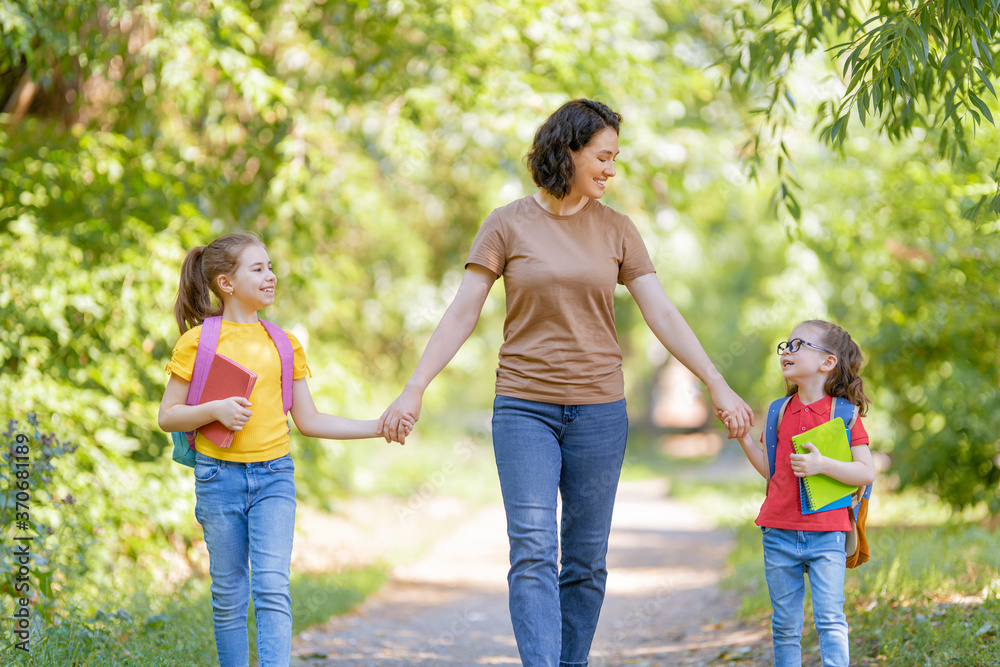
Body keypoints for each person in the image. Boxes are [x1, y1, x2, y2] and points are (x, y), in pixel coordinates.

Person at [377, 99, 753, 667]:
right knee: (532, 551)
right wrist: (416, 386)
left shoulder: (618, 230)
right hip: (524, 407)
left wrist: (717, 383)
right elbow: (463, 312)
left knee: (585, 561)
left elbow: (663, 314)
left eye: (615, 159)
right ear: (568, 151)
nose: (611, 170)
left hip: (599, 412)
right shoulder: (506, 223)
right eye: (602, 157)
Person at [158, 232, 410, 667]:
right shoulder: (197, 342)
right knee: (229, 593)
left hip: (275, 476)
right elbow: (168, 416)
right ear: (226, 283)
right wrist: (214, 409)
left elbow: (309, 421)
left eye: (270, 267)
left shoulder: (283, 343)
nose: (271, 276)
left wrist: (378, 427)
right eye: (258, 269)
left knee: (272, 586)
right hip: (218, 478)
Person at [732, 320, 875, 667]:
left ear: (827, 363)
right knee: (784, 627)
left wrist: (822, 465)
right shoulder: (778, 411)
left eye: (798, 345)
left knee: (830, 621)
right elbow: (773, 471)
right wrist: (743, 438)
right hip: (778, 532)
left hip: (828, 533)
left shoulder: (843, 414)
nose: (787, 352)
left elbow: (865, 472)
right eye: (786, 345)